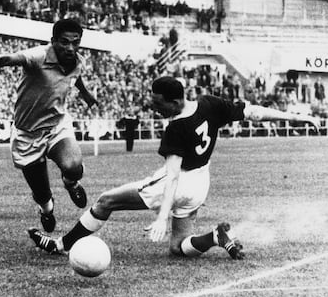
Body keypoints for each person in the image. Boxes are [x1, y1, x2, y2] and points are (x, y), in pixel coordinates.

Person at [28, 76, 320, 260]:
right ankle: (214, 238)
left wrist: (161, 217)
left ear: (176, 101)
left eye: (158, 104)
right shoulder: (209, 104)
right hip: (201, 184)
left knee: (105, 201)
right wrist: (294, 117)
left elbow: (172, 177)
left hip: (178, 184)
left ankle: (61, 245)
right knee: (178, 247)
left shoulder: (176, 128)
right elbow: (253, 112)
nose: (155, 108)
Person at [0, 19, 98, 233]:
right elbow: (17, 58)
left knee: (74, 167)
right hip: (27, 133)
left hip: (56, 126)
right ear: (53, 41)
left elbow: (76, 75)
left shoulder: (77, 60)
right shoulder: (39, 56)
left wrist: (85, 93)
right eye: (64, 42)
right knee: (42, 193)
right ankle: (46, 210)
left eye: (75, 42)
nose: (70, 48)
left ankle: (70, 183)